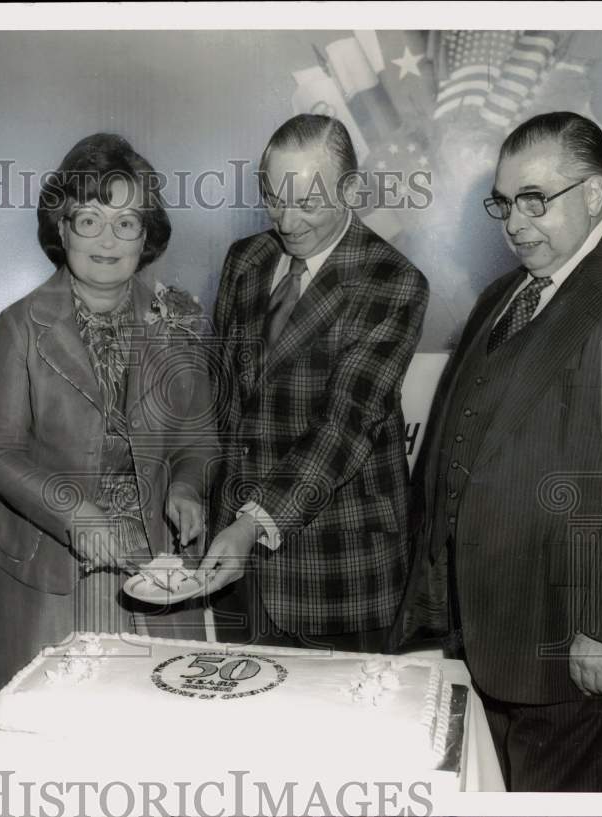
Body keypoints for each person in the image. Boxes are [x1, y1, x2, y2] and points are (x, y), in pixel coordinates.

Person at [390, 111, 602, 791]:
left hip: (563, 639)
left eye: (537, 200)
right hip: (472, 629)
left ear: (598, 191)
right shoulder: (500, 294)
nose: (515, 222)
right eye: (505, 203)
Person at [0, 133, 217, 693]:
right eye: (89, 220)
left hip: (155, 571)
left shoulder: (177, 320)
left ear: (145, 236)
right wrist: (72, 510)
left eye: (126, 222)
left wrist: (186, 488)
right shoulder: (20, 324)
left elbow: (197, 441)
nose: (108, 239)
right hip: (52, 568)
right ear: (61, 227)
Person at [201, 114, 429, 653]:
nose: (287, 221)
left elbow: (343, 428)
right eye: (275, 200)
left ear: (350, 189)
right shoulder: (245, 260)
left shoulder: (392, 281)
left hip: (338, 577)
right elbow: (226, 401)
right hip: (236, 573)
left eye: (308, 203)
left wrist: (253, 524)